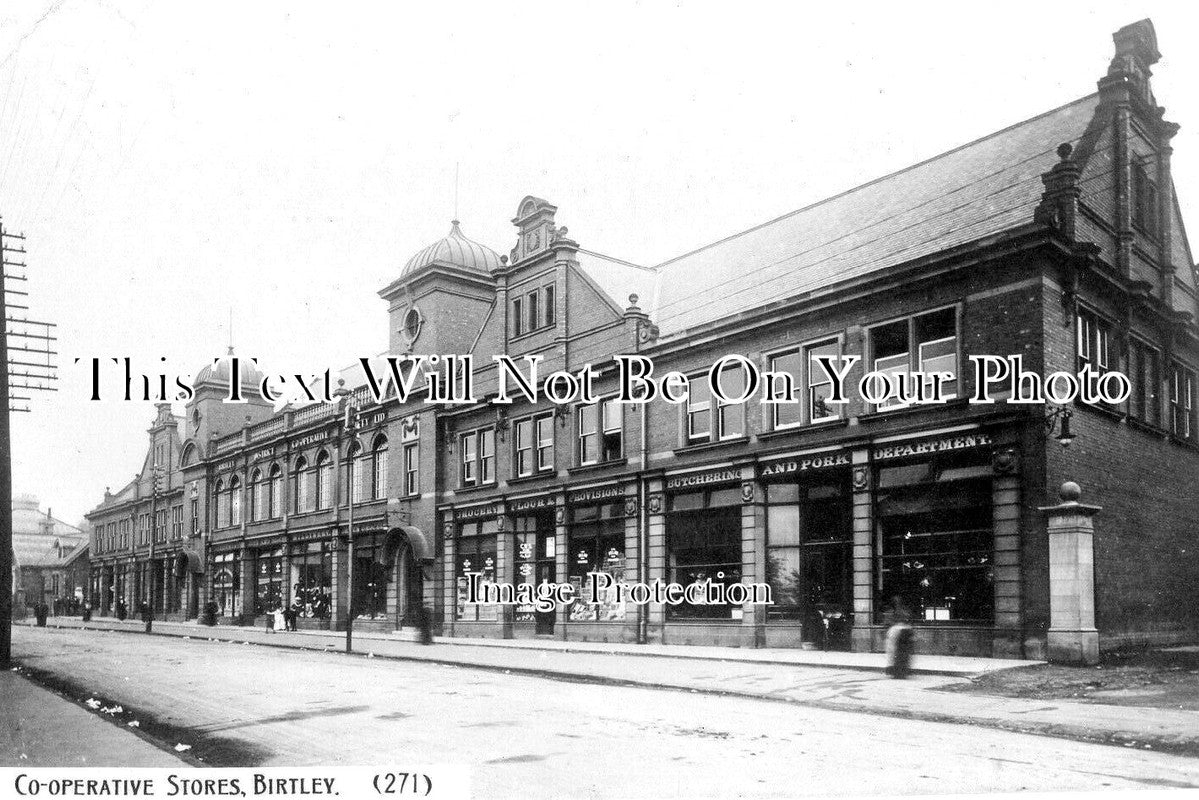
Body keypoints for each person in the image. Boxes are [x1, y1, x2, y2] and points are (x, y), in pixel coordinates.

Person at [884, 596, 914, 678]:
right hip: (902, 633)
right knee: (899, 653)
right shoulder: (903, 612)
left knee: (894, 653)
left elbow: (887, 624)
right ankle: (900, 671)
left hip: (896, 633)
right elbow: (909, 621)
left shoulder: (891, 612)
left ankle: (897, 671)